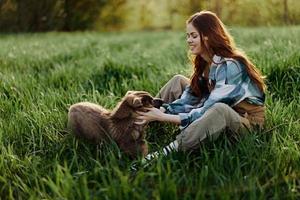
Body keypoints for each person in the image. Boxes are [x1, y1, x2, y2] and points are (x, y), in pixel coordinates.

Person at [134, 11, 266, 166]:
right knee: (178, 81)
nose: (189, 40)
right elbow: (189, 99)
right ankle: (135, 127)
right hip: (215, 109)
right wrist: (163, 110)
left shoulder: (231, 66)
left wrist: (163, 117)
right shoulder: (205, 63)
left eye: (194, 36)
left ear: (208, 36)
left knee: (219, 109)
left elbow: (208, 109)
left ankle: (163, 154)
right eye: (188, 36)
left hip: (245, 123)